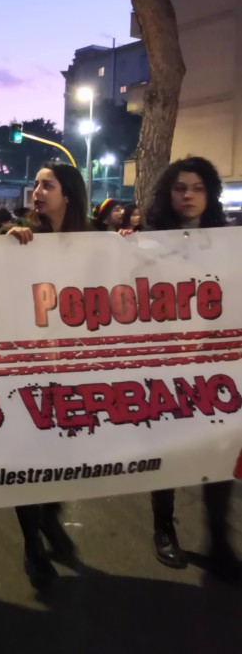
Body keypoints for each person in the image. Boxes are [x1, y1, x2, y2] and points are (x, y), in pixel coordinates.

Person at [138, 156, 241, 583]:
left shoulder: (229, 242)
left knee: (219, 449)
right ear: (169, 193)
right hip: (165, 365)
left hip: (215, 366)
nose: (188, 195)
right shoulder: (145, 244)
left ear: (210, 194)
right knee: (168, 450)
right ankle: (164, 529)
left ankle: (218, 538)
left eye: (197, 188)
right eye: (180, 187)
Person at [6, 162, 90, 588]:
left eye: (47, 185)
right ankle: (32, 544)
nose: (37, 191)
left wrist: (128, 243)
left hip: (76, 368)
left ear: (68, 195)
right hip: (28, 366)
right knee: (29, 456)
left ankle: (49, 516)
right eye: (36, 184)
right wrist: (5, 247)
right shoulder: (21, 238)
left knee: (64, 454)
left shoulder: (96, 241)